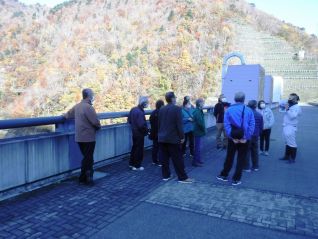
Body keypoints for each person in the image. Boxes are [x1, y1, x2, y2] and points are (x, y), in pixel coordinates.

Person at [216, 92, 255, 186]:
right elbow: (252, 125)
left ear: (234, 99)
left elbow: (227, 125)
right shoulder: (249, 110)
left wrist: (232, 137)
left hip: (233, 138)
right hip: (244, 139)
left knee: (229, 157)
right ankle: (236, 179)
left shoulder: (229, 110)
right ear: (244, 99)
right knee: (241, 159)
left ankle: (224, 175)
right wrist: (246, 138)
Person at [64, 88, 101, 185]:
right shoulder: (89, 107)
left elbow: (67, 115)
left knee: (86, 157)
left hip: (79, 137)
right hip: (89, 137)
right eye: (92, 95)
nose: (93, 96)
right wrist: (98, 127)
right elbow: (95, 122)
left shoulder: (77, 106)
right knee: (88, 158)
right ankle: (87, 178)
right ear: (89, 96)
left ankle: (83, 177)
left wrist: (62, 116)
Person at [158, 92, 193, 183]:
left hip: (162, 138)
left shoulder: (161, 109)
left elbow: (159, 123)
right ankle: (182, 177)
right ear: (172, 99)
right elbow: (179, 125)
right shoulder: (177, 109)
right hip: (173, 138)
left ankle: (166, 175)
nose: (176, 99)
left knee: (164, 159)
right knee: (177, 158)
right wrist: (182, 137)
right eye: (175, 97)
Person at [128, 96, 149, 171]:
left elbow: (129, 120)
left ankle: (131, 164)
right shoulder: (140, 112)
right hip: (139, 133)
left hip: (134, 132)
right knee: (139, 149)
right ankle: (137, 165)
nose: (147, 104)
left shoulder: (133, 109)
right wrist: (146, 131)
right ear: (144, 103)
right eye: (147, 103)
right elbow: (141, 125)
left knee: (134, 148)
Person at [279, 93, 301, 163]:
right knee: (287, 142)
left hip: (291, 127)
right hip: (286, 126)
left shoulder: (297, 107)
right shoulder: (290, 105)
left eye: (291, 98)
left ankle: (292, 158)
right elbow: (281, 111)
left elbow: (292, 116)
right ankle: (286, 156)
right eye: (289, 97)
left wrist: (287, 109)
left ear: (295, 99)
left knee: (292, 143)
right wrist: (282, 107)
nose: (289, 99)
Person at [244, 100, 263, 172]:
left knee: (247, 151)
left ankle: (246, 167)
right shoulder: (259, 115)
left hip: (247, 135)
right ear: (256, 106)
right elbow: (261, 127)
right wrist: (259, 134)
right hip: (255, 135)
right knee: (255, 151)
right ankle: (255, 166)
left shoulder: (246, 114)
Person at [149, 99, 165, 166]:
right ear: (161, 105)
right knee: (161, 147)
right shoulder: (161, 113)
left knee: (155, 147)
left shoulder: (153, 113)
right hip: (160, 133)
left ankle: (154, 160)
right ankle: (160, 161)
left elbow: (151, 122)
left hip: (154, 132)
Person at [192, 98, 206, 167]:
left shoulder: (199, 111)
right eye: (203, 102)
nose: (204, 104)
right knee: (198, 147)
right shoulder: (197, 112)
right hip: (198, 132)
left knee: (199, 147)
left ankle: (198, 159)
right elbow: (200, 123)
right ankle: (195, 162)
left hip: (199, 131)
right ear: (199, 103)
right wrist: (204, 129)